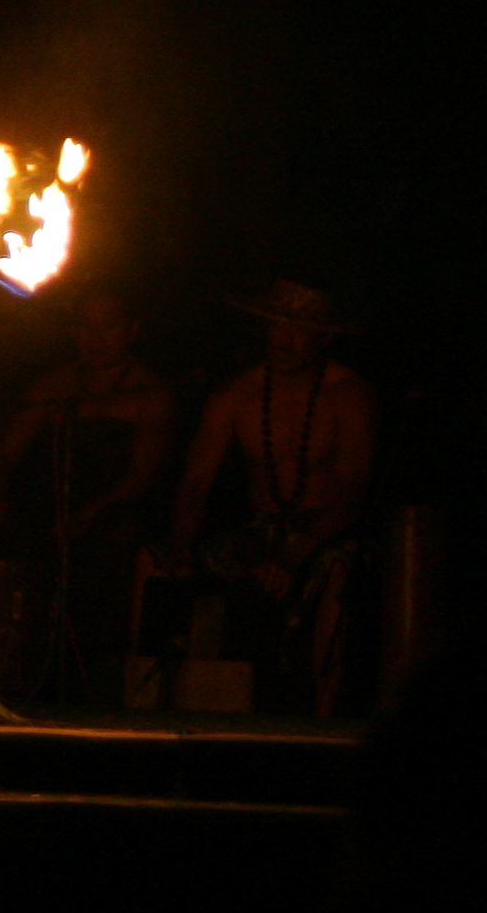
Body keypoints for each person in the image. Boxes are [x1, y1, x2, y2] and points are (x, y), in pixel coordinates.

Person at [157, 279, 375, 712]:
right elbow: (196, 483)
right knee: (159, 563)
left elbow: (354, 489)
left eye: (296, 330)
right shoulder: (237, 395)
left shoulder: (347, 395)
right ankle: (178, 704)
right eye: (275, 328)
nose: (282, 340)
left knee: (336, 574)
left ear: (323, 338)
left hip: (327, 531)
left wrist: (295, 556)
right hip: (261, 530)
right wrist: (181, 552)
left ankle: (324, 714)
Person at [0, 287, 173, 697]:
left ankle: (101, 681)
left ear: (131, 331)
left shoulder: (149, 393)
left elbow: (141, 476)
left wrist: (91, 513)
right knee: (9, 543)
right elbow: (2, 454)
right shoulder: (56, 386)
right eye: (85, 326)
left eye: (108, 327)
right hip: (50, 511)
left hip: (115, 513)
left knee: (115, 542)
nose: (95, 337)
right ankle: (12, 677)